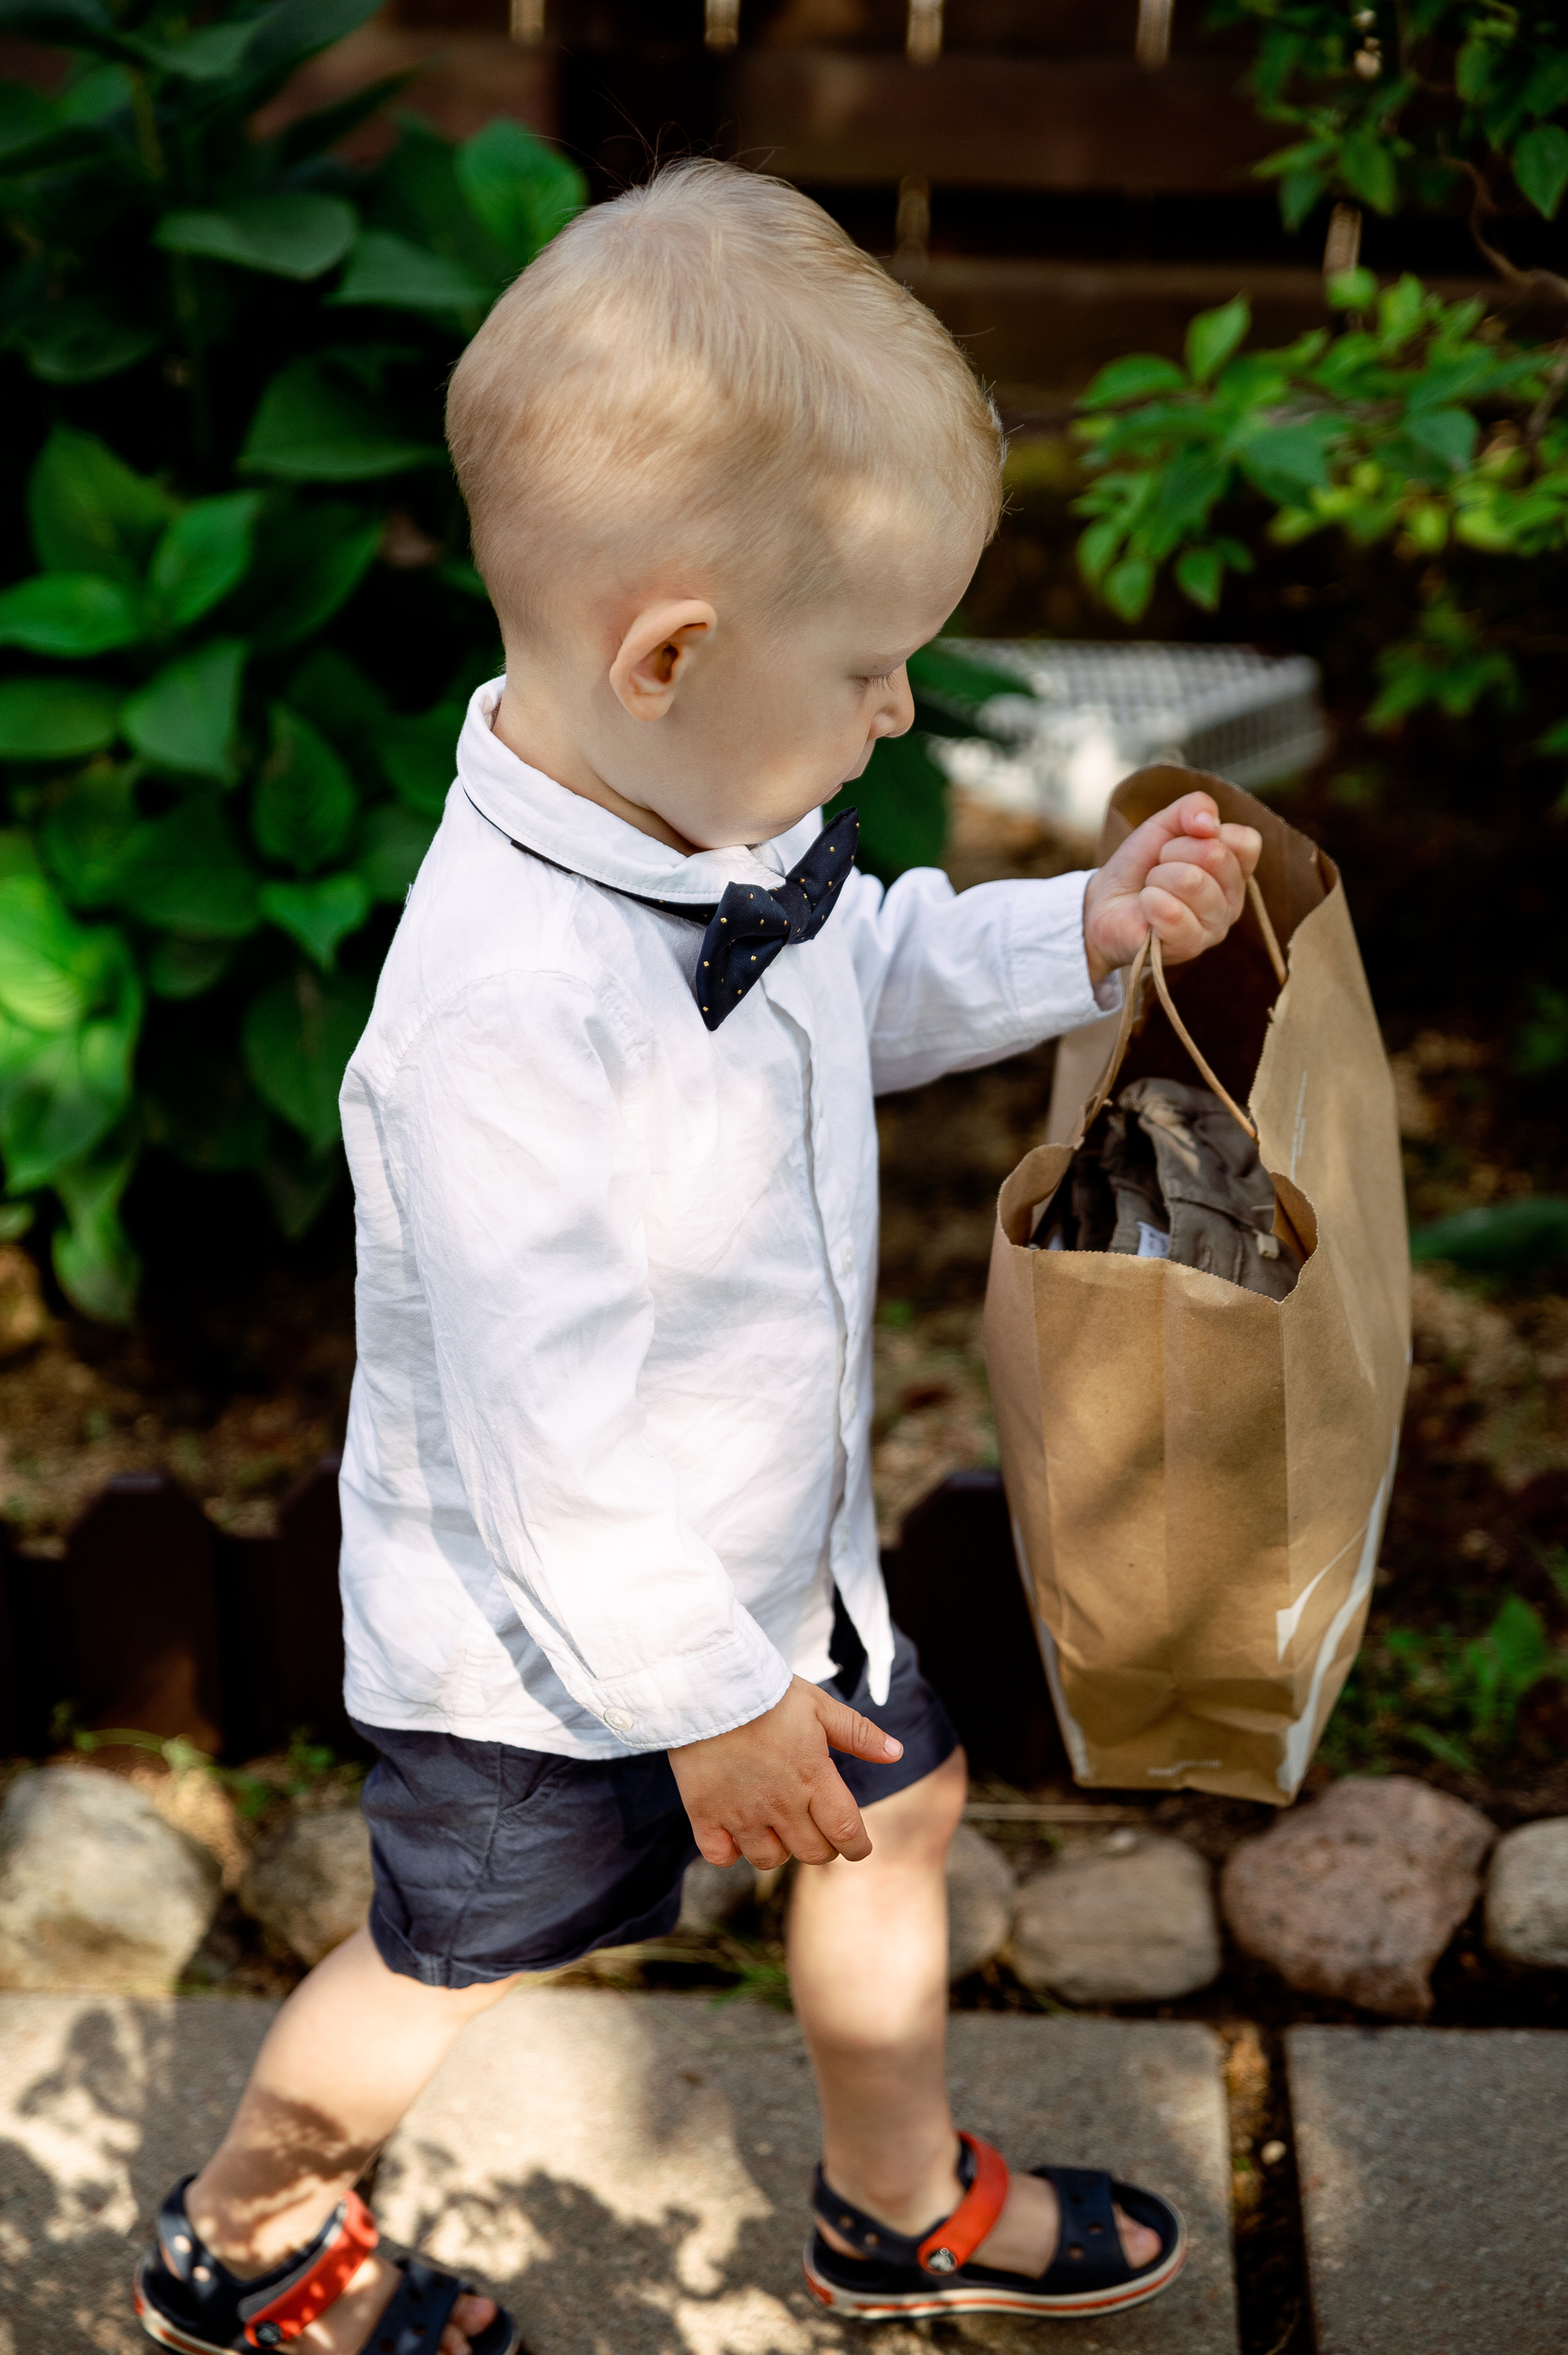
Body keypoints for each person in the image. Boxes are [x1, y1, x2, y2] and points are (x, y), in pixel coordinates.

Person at [135, 162, 1262, 2355]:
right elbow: (553, 1449)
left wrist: (1085, 931)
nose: (902, 716)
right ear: (673, 650)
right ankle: (249, 2226)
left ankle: (896, 2200)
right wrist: (712, 1704)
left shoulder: (718, 824)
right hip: (555, 1652)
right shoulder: (500, 1015)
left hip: (776, 1567)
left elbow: (870, 984)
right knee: (447, 1958)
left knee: (902, 1810)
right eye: (871, 665)